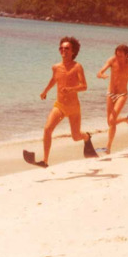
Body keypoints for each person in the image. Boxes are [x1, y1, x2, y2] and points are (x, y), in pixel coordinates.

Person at [36, 36, 97, 167]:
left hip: (73, 107)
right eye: (61, 48)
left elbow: (84, 86)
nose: (63, 50)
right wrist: (45, 91)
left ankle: (86, 137)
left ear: (73, 51)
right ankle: (45, 161)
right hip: (60, 105)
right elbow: (54, 79)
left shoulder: (77, 67)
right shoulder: (56, 67)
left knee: (75, 137)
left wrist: (70, 89)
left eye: (67, 48)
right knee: (47, 129)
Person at [97, 44, 128, 154]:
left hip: (122, 95)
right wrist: (101, 75)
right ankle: (126, 119)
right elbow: (100, 72)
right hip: (110, 93)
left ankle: (108, 147)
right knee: (110, 123)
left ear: (126, 55)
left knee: (112, 120)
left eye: (120, 56)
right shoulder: (112, 60)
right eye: (116, 55)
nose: (118, 57)